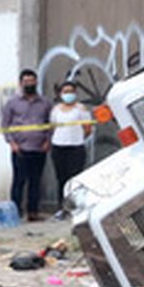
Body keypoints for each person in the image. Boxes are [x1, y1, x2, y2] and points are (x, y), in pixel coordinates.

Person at [1, 69, 52, 221]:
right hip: (20, 149)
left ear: (36, 82)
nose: (29, 84)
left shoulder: (45, 103)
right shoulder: (12, 103)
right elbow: (5, 125)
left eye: (32, 81)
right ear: (21, 83)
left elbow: (50, 124)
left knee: (35, 182)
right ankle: (15, 213)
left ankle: (33, 212)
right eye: (26, 81)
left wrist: (47, 141)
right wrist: (12, 143)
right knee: (19, 181)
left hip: (39, 148)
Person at [49, 81, 92, 219]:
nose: (68, 94)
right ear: (61, 94)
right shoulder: (56, 110)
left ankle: (76, 208)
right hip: (58, 147)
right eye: (65, 91)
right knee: (61, 178)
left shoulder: (81, 109)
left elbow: (88, 129)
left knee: (75, 179)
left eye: (71, 91)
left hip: (76, 147)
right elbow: (53, 127)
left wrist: (78, 138)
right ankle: (62, 208)